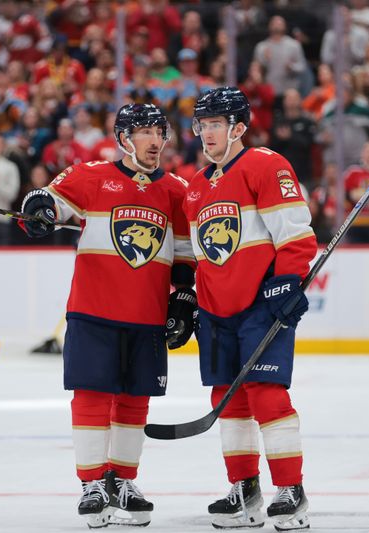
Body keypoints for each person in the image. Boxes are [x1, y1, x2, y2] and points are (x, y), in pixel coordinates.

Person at [18, 103, 195, 528]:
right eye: (145, 132)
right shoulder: (89, 176)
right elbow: (44, 203)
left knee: (136, 399)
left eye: (160, 132)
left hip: (147, 316)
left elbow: (185, 258)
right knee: (93, 396)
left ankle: (122, 480)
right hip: (93, 312)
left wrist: (184, 300)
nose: (155, 141)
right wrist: (38, 212)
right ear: (123, 139)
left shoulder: (175, 189)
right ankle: (93, 483)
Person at [184, 87, 316, 530]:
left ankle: (290, 491)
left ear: (238, 127)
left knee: (267, 394)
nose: (207, 133)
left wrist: (287, 282)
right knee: (227, 399)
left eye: (216, 124)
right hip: (216, 311)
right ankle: (245, 490)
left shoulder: (265, 164)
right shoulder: (197, 186)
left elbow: (296, 233)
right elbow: (202, 254)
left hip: (260, 305)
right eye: (202, 125)